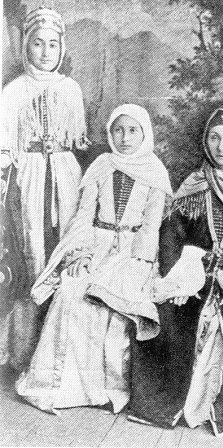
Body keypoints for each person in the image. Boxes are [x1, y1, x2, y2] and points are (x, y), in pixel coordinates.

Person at [128, 108, 223, 436]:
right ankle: (171, 404)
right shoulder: (194, 183)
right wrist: (176, 281)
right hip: (194, 273)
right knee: (167, 313)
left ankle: (220, 409)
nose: (221, 146)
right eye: (214, 138)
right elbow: (172, 236)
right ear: (205, 142)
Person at [15, 104, 172, 414]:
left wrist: (139, 264)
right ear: (110, 134)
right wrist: (81, 254)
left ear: (144, 133)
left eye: (132, 131)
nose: (125, 138)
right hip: (96, 245)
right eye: (118, 130)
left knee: (113, 303)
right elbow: (84, 217)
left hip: (133, 252)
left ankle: (107, 390)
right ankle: (60, 387)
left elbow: (151, 226)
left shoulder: (155, 171)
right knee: (70, 292)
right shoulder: (101, 165)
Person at [0, 7, 89, 371]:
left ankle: (61, 357)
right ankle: (26, 355)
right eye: (38, 44)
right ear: (26, 46)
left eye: (53, 44)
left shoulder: (71, 88)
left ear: (61, 48)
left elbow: (78, 138)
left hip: (65, 174)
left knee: (64, 246)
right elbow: (5, 143)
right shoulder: (14, 90)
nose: (45, 52)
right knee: (32, 250)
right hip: (30, 174)